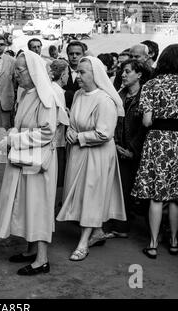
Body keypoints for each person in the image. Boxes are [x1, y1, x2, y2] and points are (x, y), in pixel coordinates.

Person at [0, 51, 69, 276]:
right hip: (26, 159)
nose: (15, 74)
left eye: (19, 70)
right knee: (27, 203)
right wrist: (11, 134)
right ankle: (31, 250)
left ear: (32, 71)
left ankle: (42, 259)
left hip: (38, 162)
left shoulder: (46, 96)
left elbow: (47, 132)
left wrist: (13, 138)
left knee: (38, 206)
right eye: (15, 69)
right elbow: (21, 122)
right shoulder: (28, 93)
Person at [131, 44, 178, 259]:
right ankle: (175, 241)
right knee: (176, 194)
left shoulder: (151, 85)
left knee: (156, 194)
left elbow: (147, 120)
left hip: (158, 139)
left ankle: (152, 243)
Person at [56, 56, 126, 261]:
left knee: (91, 195)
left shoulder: (105, 100)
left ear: (95, 75)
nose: (77, 76)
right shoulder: (78, 94)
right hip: (79, 152)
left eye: (82, 72)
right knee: (80, 193)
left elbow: (105, 134)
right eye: (77, 72)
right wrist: (70, 129)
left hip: (98, 155)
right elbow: (74, 120)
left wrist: (78, 136)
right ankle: (96, 232)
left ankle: (83, 242)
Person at [104, 59, 151, 239]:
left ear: (139, 75)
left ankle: (122, 226)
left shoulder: (145, 97)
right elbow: (112, 122)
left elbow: (144, 128)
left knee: (128, 189)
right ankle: (117, 225)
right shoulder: (119, 95)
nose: (123, 75)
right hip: (116, 147)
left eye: (127, 71)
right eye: (122, 71)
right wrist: (115, 144)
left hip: (135, 151)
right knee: (116, 187)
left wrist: (132, 149)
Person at [48, 59, 69, 209]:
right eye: (67, 73)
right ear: (62, 75)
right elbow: (58, 118)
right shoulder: (56, 91)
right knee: (57, 174)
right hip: (55, 140)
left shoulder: (54, 89)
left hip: (57, 139)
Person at [63, 41, 87, 109]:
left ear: (83, 55)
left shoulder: (89, 73)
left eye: (77, 53)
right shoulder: (61, 73)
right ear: (67, 54)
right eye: (71, 54)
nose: (74, 56)